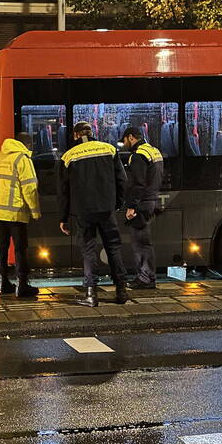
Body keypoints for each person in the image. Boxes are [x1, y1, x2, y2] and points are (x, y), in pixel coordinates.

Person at [58, 121, 129, 307]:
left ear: (75, 135)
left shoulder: (68, 156)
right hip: (107, 209)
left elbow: (63, 191)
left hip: (83, 212)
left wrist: (63, 218)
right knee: (113, 248)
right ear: (92, 132)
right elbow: (122, 180)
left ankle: (91, 294)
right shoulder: (109, 149)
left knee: (88, 250)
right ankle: (121, 290)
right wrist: (118, 203)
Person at [0, 133, 41, 297]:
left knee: (2, 248)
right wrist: (35, 211)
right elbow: (30, 188)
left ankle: (3, 283)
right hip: (16, 213)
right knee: (21, 249)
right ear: (26, 144)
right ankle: (22, 285)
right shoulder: (22, 159)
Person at [122, 126, 164, 289]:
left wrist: (132, 206)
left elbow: (137, 183)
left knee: (140, 243)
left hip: (141, 204)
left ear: (131, 137)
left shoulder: (138, 155)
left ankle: (145, 278)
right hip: (151, 200)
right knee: (144, 242)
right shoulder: (154, 151)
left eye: (124, 140)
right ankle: (147, 276)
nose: (124, 144)